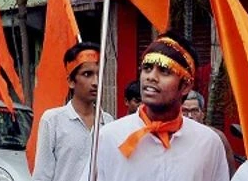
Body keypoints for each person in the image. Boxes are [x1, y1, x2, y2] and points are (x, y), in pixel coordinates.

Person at [87, 33, 228, 181]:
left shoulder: (208, 143)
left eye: (164, 71)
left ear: (185, 86)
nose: (151, 77)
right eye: (147, 68)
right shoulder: (109, 137)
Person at [33, 42, 113, 181]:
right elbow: (42, 175)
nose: (95, 82)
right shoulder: (52, 120)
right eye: (87, 74)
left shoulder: (108, 122)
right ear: (71, 81)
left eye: (98, 74)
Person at [181, 90, 236, 176]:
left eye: (194, 111)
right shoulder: (170, 137)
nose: (190, 116)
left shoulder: (216, 137)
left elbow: (231, 173)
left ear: (203, 114)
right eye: (184, 111)